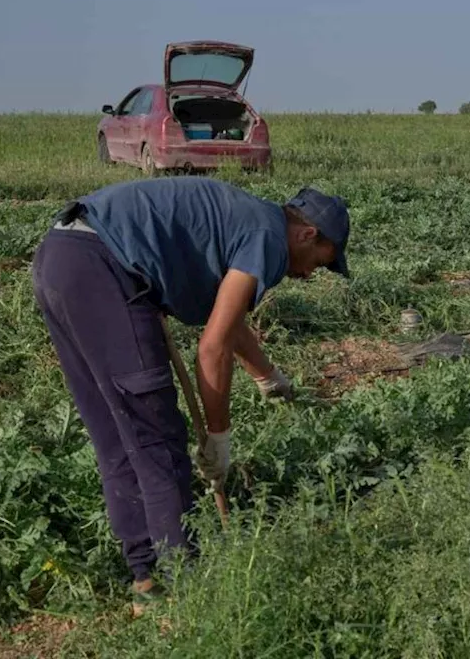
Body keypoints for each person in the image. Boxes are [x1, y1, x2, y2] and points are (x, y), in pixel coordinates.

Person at [29, 176, 350, 599]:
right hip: (104, 269)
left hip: (61, 258)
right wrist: (219, 437)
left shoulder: (250, 219)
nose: (310, 274)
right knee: (157, 439)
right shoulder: (269, 238)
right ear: (307, 233)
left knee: (122, 437)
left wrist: (267, 376)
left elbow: (229, 321)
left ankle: (148, 579)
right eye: (321, 262)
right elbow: (213, 345)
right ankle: (184, 588)